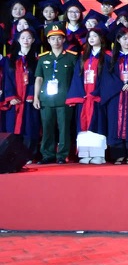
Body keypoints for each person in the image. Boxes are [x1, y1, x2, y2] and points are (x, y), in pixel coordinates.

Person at [34, 23, 78, 164]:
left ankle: (62, 155)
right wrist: (36, 97)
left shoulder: (71, 57)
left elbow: (76, 79)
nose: (56, 41)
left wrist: (73, 97)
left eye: (59, 38)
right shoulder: (43, 58)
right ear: (48, 40)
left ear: (64, 39)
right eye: (53, 39)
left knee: (64, 128)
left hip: (65, 99)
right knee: (47, 127)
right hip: (46, 99)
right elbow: (39, 78)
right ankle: (47, 155)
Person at [69, 27, 113, 163]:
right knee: (83, 125)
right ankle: (85, 154)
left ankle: (98, 155)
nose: (91, 39)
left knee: (98, 125)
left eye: (95, 36)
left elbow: (108, 78)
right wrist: (80, 94)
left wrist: (97, 92)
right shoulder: (83, 56)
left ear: (101, 38)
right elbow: (77, 77)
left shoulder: (107, 56)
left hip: (97, 98)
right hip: (84, 97)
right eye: (90, 36)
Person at [102, 28, 128, 163]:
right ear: (118, 40)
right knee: (115, 123)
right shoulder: (110, 57)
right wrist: (119, 85)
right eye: (124, 38)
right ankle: (118, 154)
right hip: (116, 95)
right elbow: (107, 76)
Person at [4, 28, 41, 162]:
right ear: (18, 40)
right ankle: (13, 156)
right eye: (23, 37)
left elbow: (38, 79)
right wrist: (11, 96)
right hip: (15, 100)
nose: (26, 40)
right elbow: (7, 79)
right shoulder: (9, 59)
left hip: (29, 100)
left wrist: (32, 95)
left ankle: (28, 155)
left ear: (33, 40)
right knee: (12, 127)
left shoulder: (37, 60)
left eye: (29, 38)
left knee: (30, 127)